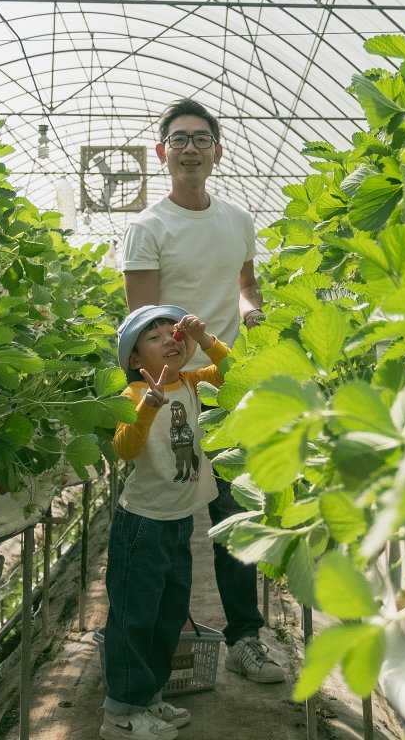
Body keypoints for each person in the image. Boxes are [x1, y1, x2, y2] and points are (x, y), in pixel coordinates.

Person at [121, 98, 286, 685]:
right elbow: (141, 319)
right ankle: (154, 650)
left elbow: (247, 286)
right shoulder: (148, 227)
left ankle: (247, 637)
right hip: (172, 388)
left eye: (201, 139)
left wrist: (253, 314)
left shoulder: (238, 221)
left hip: (229, 387)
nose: (190, 148)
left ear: (217, 151)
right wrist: (173, 369)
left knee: (233, 513)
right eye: (179, 140)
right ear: (163, 153)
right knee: (164, 522)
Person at [100, 304, 226, 740]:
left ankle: (148, 698)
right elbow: (125, 450)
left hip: (178, 521)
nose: (168, 340)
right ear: (136, 361)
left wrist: (206, 338)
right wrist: (148, 407)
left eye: (172, 332)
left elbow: (237, 374)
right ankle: (119, 713)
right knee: (134, 616)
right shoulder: (131, 397)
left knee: (167, 615)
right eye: (152, 338)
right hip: (142, 524)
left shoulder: (193, 382)